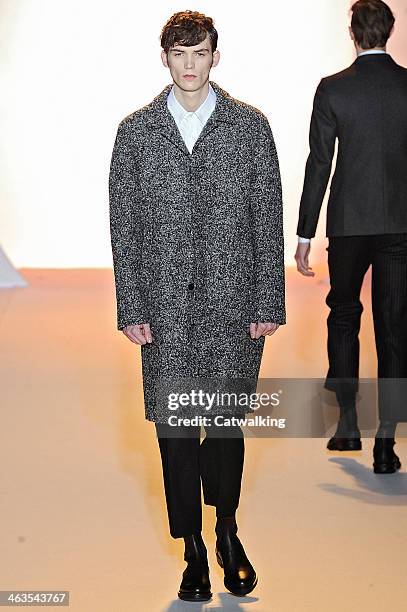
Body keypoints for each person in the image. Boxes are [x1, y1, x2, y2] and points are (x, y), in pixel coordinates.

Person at [109, 10, 285, 601]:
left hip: (232, 301)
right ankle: (191, 550)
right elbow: (123, 226)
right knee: (176, 433)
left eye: (200, 52)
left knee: (226, 427)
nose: (190, 64)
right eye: (179, 53)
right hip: (162, 306)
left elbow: (268, 217)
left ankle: (228, 531)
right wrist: (130, 301)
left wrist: (269, 297)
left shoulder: (250, 127)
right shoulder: (135, 133)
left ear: (216, 55)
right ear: (164, 57)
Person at [295, 0, 407, 473]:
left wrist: (305, 232)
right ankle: (386, 439)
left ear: (353, 34)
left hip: (347, 224)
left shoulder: (333, 89)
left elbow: (319, 162)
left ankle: (346, 424)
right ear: (390, 31)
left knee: (343, 315)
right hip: (400, 224)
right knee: (395, 327)